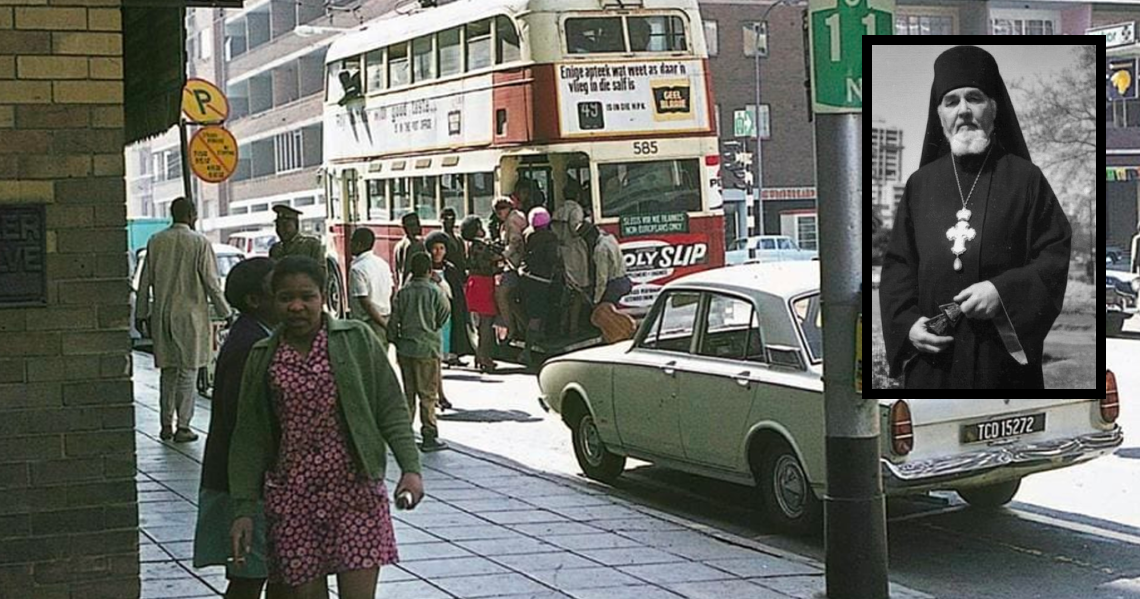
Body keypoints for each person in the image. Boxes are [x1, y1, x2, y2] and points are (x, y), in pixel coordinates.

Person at [228, 256, 424, 599]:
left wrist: (411, 469)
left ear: (323, 296)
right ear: (274, 301)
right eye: (286, 298)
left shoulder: (356, 339)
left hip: (354, 490)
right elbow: (249, 436)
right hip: (293, 495)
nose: (297, 306)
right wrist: (243, 509)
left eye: (307, 296)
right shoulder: (263, 356)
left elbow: (390, 408)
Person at [879, 45, 1071, 389]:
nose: (963, 110)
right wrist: (907, 325)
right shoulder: (919, 184)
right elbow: (898, 266)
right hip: (933, 366)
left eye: (975, 98)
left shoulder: (1026, 179)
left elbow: (1054, 255)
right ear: (940, 114)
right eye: (951, 101)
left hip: (1001, 365)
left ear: (994, 108)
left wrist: (1002, 292)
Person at [194, 257, 285, 599]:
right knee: (250, 574)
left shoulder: (258, 336)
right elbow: (244, 422)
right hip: (246, 482)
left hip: (252, 479)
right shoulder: (250, 346)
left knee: (270, 571)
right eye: (278, 289)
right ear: (254, 300)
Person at [135, 197, 233, 443]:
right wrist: (226, 312)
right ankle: (184, 426)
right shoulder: (199, 242)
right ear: (191, 215)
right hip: (190, 316)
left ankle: (165, 424)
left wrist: (140, 314)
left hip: (162, 315)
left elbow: (144, 282)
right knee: (188, 371)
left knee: (168, 371)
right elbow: (211, 282)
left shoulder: (156, 241)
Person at [388, 252, 451, 452]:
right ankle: (429, 435)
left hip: (406, 349)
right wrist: (432, 328)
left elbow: (393, 321)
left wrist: (395, 339)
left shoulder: (403, 292)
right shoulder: (435, 291)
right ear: (429, 271)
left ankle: (405, 435)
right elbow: (444, 313)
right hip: (427, 348)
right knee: (428, 394)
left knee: (409, 393)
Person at [426, 231, 474, 367]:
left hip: (447, 309)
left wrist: (440, 281)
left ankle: (449, 354)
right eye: (435, 248)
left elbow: (454, 294)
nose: (438, 252)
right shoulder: (425, 268)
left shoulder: (450, 269)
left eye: (441, 248)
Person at [460, 215, 502, 373]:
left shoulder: (471, 246)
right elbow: (486, 266)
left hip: (474, 282)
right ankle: (485, 358)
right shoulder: (481, 247)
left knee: (479, 324)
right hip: (483, 284)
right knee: (486, 323)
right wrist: (499, 265)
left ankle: (479, 356)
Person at [519, 207, 560, 364]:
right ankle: (527, 350)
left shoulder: (527, 234)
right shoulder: (550, 238)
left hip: (527, 277)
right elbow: (552, 259)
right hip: (541, 280)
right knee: (537, 315)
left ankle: (535, 339)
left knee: (533, 313)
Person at [551, 184, 590, 337]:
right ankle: (573, 327)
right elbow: (576, 230)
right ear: (578, 195)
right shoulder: (576, 210)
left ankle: (562, 325)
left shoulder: (558, 210)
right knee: (578, 291)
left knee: (567, 291)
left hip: (562, 251)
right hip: (576, 253)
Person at [348, 227, 393, 349]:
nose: (350, 245)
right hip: (385, 317)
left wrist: (383, 324)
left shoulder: (357, 269)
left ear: (359, 244)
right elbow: (392, 291)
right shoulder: (383, 264)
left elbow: (365, 303)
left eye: (352, 241)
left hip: (368, 323)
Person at [577, 221, 632, 307]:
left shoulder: (600, 250)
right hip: (624, 280)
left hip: (614, 285)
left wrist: (596, 300)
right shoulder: (610, 238)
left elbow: (602, 278)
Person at [269, 205, 326, 282]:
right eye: (278, 226)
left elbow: (321, 274)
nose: (281, 230)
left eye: (286, 226)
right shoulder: (275, 249)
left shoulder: (311, 245)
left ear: (296, 226)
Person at [392, 212, 427, 287]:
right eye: (417, 224)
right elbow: (408, 271)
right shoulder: (415, 245)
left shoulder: (399, 245)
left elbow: (396, 270)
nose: (420, 227)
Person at [439, 207, 468, 275]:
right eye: (446, 218)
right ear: (441, 220)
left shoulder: (459, 239)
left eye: (452, 218)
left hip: (459, 274)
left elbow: (463, 258)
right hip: (446, 274)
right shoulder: (439, 238)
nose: (449, 221)